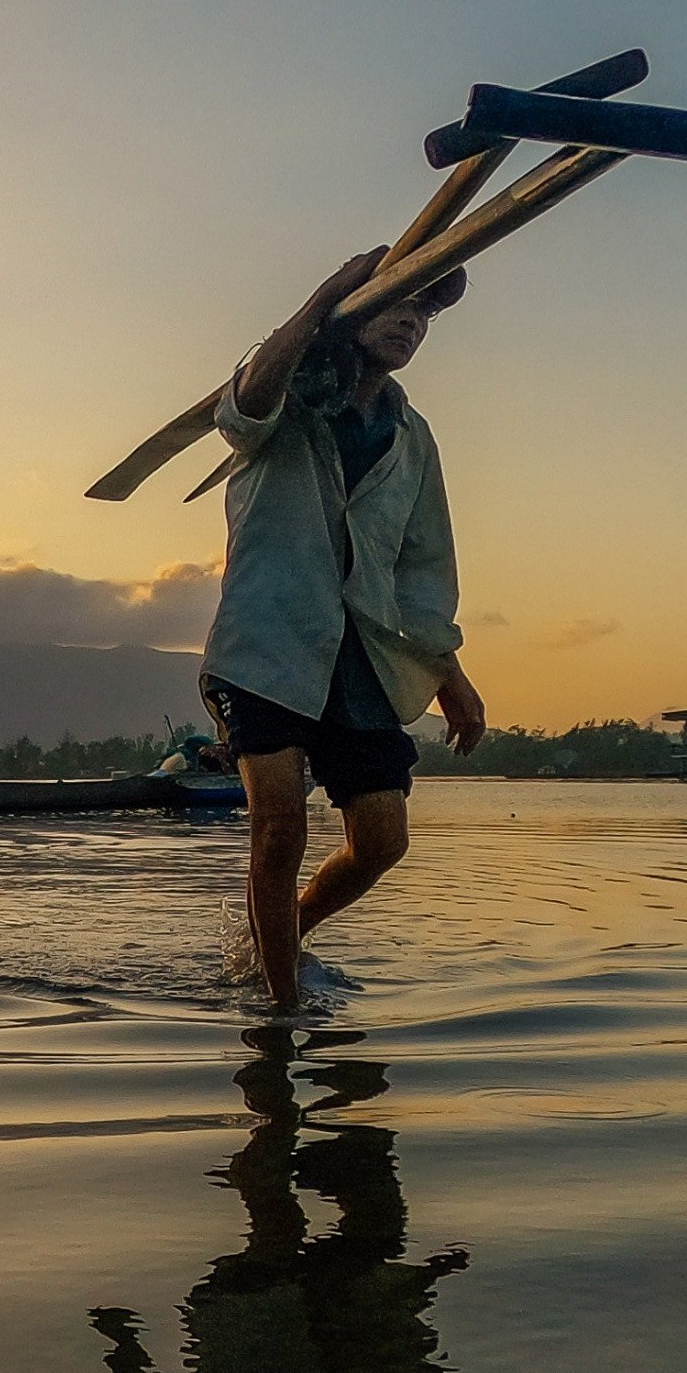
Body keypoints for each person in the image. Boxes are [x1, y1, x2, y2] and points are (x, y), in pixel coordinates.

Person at [199, 246, 487, 1011]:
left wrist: (449, 672)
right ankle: (281, 1012)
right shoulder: (287, 396)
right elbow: (239, 412)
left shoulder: (411, 436)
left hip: (360, 657)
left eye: (425, 312)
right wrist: (328, 293)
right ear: (356, 313)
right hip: (267, 646)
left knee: (383, 840)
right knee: (278, 832)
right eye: (398, 304)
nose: (412, 323)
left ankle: (286, 930)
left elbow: (419, 566)